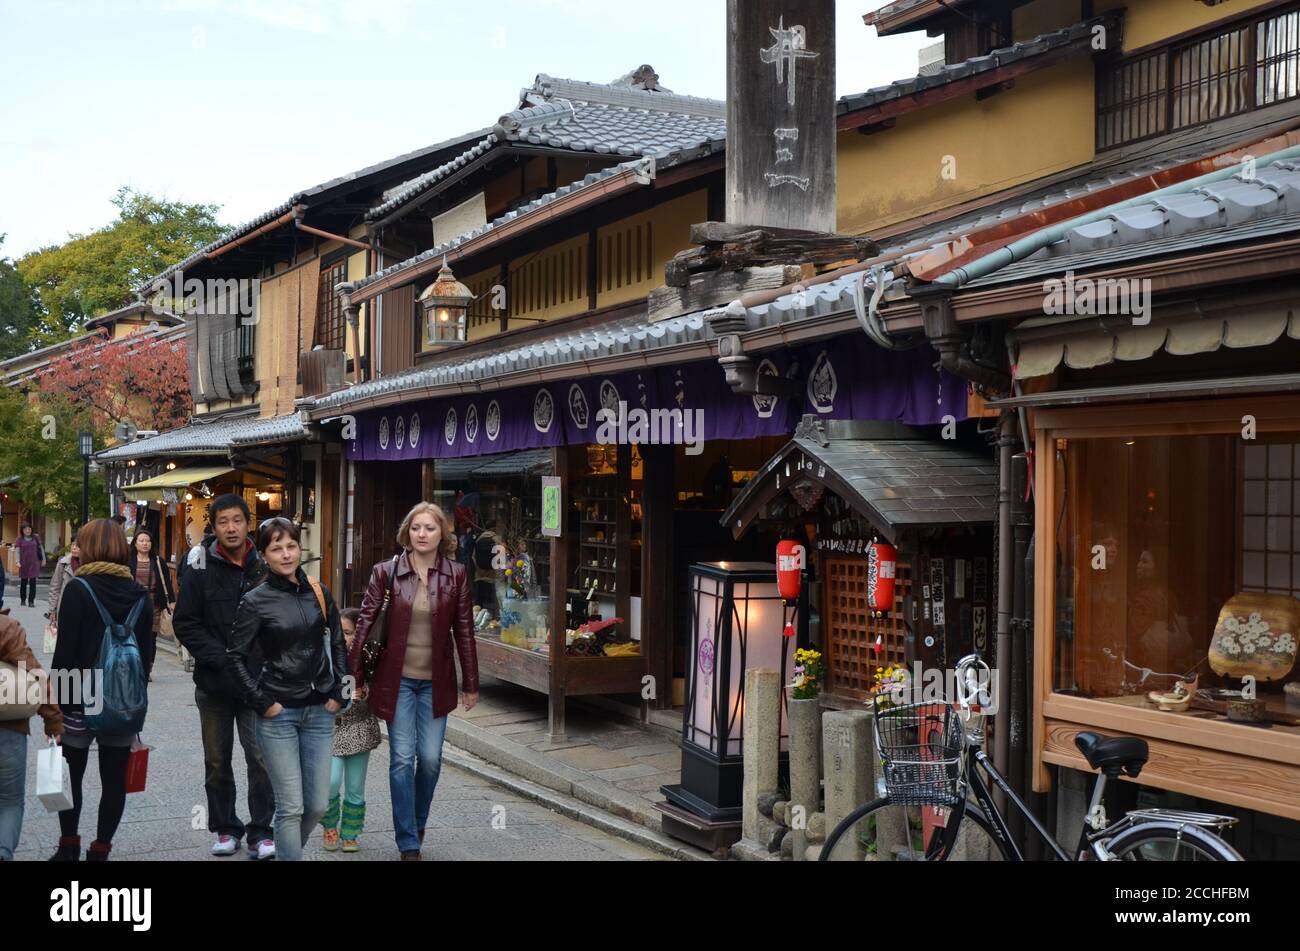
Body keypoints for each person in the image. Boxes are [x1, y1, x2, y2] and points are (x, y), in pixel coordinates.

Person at [351, 502, 479, 861]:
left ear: (443, 534)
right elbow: (364, 625)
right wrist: (355, 676)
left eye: (430, 528)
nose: (422, 534)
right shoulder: (385, 572)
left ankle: (416, 821)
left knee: (431, 758)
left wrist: (471, 681)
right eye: (416, 528)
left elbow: (465, 630)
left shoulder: (456, 574)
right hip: (398, 681)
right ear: (407, 533)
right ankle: (408, 840)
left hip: (436, 681)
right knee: (402, 759)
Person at [227, 518, 346, 863]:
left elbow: (338, 643)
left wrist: (341, 691)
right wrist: (262, 701)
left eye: (291, 546)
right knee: (290, 806)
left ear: (299, 548)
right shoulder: (255, 601)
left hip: (320, 711)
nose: (286, 554)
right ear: (263, 555)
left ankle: (285, 850)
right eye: (276, 548)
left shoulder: (319, 591)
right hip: (278, 713)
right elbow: (235, 657)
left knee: (318, 805)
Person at [172, 494, 276, 860]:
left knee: (261, 758)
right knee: (217, 760)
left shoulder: (266, 566)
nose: (230, 528)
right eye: (223, 522)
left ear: (248, 523)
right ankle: (226, 828)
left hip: (258, 683)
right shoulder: (199, 566)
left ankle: (262, 831)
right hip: (214, 684)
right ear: (213, 527)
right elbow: (185, 622)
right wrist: (222, 659)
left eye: (237, 520)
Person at [47, 519, 154, 861]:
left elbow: (65, 652)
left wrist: (56, 710)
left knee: (71, 775)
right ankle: (101, 849)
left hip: (82, 693)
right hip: (122, 697)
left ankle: (69, 846)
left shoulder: (79, 588)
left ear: (89, 547)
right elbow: (147, 653)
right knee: (113, 778)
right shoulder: (139, 592)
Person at [0, 609, 64, 861]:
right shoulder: (7, 627)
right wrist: (53, 721)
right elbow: (35, 674)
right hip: (9, 730)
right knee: (9, 801)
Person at [320, 608, 380, 853]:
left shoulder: (369, 659)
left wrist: (366, 693)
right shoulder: (328, 657)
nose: (347, 639)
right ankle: (329, 825)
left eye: (352, 633)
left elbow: (382, 688)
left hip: (360, 729)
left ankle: (350, 832)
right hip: (332, 730)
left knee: (356, 786)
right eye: (343, 633)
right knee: (331, 781)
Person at [130, 529, 176, 642]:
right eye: (141, 541)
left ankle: (149, 660)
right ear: (135, 543)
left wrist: (171, 601)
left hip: (154, 606)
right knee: (134, 636)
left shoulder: (158, 561)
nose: (145, 543)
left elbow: (167, 583)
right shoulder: (128, 561)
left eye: (148, 541)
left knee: (151, 639)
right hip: (133, 605)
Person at [48, 542, 81, 625]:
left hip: (82, 608)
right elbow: (55, 587)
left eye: (77, 546)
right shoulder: (63, 563)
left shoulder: (89, 565)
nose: (74, 548)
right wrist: (52, 610)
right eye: (73, 545)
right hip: (65, 607)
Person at [16, 524, 43, 608]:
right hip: (23, 563)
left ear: (31, 529)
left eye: (29, 529)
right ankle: (23, 599)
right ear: (22, 530)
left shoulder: (36, 537)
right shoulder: (19, 539)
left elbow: (41, 548)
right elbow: (17, 551)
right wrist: (17, 561)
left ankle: (31, 601)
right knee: (23, 582)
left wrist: (43, 560)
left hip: (34, 563)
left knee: (33, 582)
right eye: (25, 529)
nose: (28, 530)